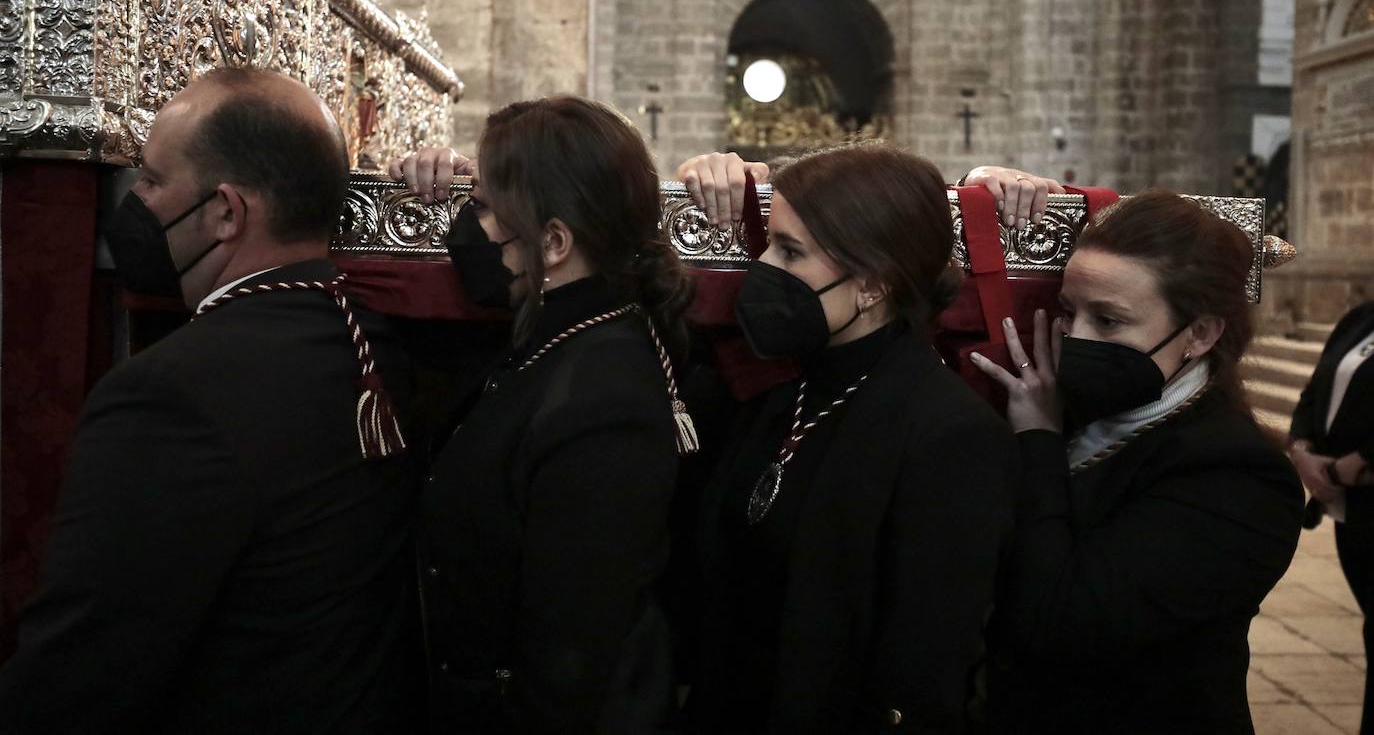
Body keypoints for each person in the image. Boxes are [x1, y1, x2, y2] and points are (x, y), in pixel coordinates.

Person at [0, 68, 422, 734]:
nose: (131, 199)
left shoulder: (168, 396)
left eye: (150, 179)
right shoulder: (382, 343)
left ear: (226, 212)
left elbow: (80, 678)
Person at [673, 144, 1017, 733]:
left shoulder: (948, 432)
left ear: (872, 284)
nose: (763, 267)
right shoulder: (781, 391)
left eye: (790, 250)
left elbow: (920, 671)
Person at [392, 97, 690, 733]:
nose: (470, 226)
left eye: (483, 208)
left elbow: (569, 657)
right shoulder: (555, 336)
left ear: (552, 242)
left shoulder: (603, 394)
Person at [974, 189, 1305, 734]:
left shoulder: (1238, 476)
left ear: (1199, 332)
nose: (1074, 339)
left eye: (1108, 321)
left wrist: (1037, 437)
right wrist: (995, 186)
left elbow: (1057, 623)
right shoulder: (1085, 407)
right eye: (1068, 311)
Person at [1289, 300, 1374, 735]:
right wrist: (1302, 450)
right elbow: (1314, 391)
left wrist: (1354, 464)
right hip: (1350, 510)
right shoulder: (1361, 319)